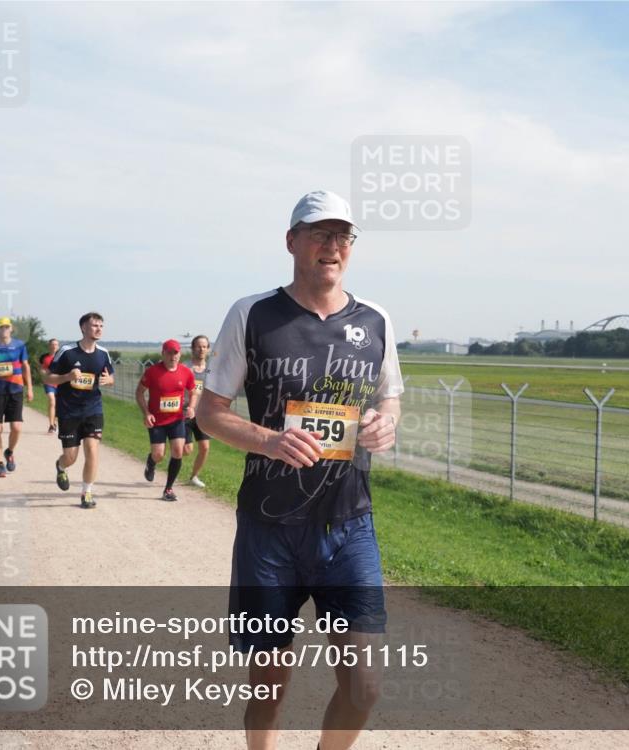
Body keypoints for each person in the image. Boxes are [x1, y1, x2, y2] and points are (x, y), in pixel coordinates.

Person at [196, 190, 403, 750]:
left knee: (364, 685)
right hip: (271, 529)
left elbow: (390, 398)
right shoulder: (252, 314)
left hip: (347, 525)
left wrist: (385, 421)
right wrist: (270, 439)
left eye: (342, 236)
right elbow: (208, 414)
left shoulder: (376, 320)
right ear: (292, 241)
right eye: (319, 234)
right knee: (268, 689)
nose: (331, 246)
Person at [45, 312, 115, 509]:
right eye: (94, 325)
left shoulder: (103, 354)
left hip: (93, 408)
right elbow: (49, 379)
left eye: (101, 325)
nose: (99, 328)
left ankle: (87, 492)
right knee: (71, 457)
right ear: (83, 328)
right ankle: (60, 466)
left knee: (92, 450)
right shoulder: (67, 352)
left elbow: (111, 378)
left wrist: (108, 380)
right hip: (69, 411)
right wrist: (67, 376)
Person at [135, 339, 195, 502]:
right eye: (169, 353)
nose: (172, 356)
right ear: (163, 354)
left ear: (179, 354)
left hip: (176, 419)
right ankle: (151, 462)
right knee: (159, 454)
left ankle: (168, 489)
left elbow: (193, 391)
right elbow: (139, 393)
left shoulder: (186, 372)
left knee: (178, 451)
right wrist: (146, 413)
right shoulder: (152, 372)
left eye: (175, 353)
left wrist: (191, 407)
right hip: (157, 421)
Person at [0, 317, 33, 478]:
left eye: (6, 327)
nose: (4, 330)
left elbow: (25, 366)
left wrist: (29, 388)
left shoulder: (19, 345)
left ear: (11, 329)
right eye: (1, 327)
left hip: (15, 389)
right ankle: (0, 464)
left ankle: (9, 451)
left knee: (16, 427)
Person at [183, 334, 212, 487]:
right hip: (185, 412)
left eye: (204, 346)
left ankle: (194, 477)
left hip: (203, 413)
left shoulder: (211, 370)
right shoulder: (185, 368)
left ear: (208, 349)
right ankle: (165, 456)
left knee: (205, 447)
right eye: (198, 346)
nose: (201, 349)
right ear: (193, 348)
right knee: (187, 450)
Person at [39, 338, 61, 434]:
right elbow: (42, 369)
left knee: (58, 404)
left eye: (56, 344)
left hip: (60, 383)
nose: (54, 346)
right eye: (52, 344)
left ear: (58, 346)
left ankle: (54, 421)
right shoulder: (45, 357)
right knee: (52, 400)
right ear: (49, 346)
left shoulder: (62, 357)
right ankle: (51, 425)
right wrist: (43, 373)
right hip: (49, 382)